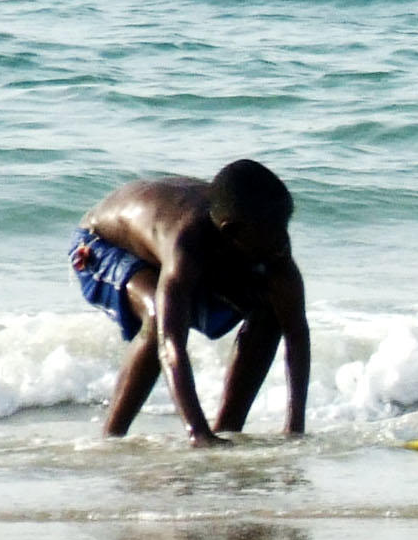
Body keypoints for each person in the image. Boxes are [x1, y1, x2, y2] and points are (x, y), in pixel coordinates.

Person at [71, 162, 310, 446]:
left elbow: (295, 331)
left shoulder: (272, 240)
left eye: (285, 227)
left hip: (181, 253)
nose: (283, 240)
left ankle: (227, 431)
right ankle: (111, 439)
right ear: (232, 231)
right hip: (101, 246)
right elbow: (171, 343)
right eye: (273, 232)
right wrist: (197, 432)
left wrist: (295, 428)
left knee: (270, 312)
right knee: (159, 316)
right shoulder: (188, 241)